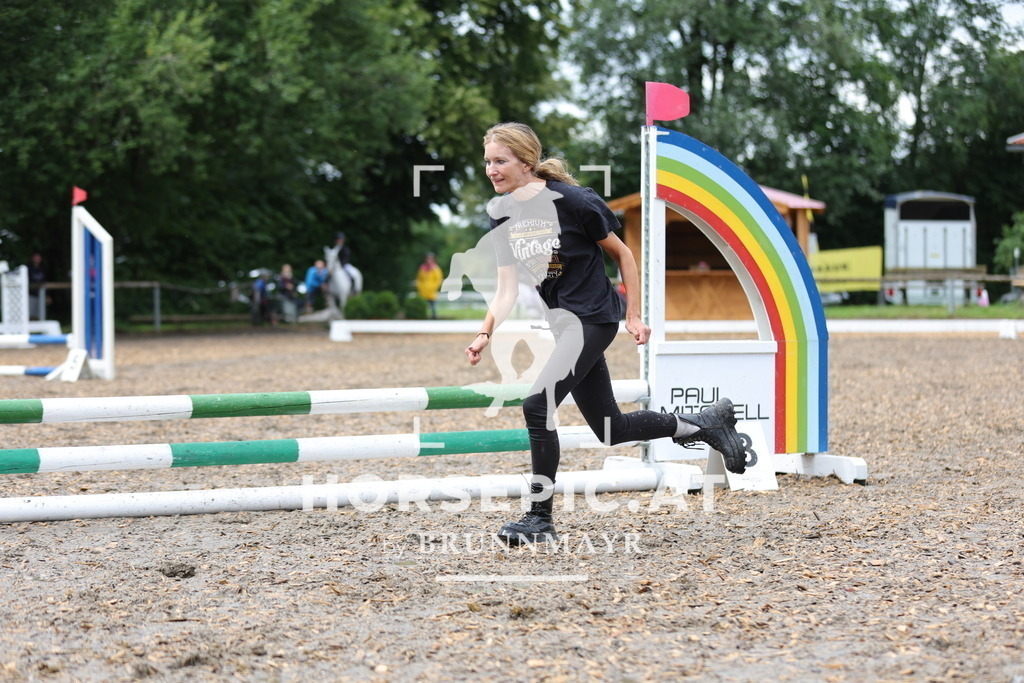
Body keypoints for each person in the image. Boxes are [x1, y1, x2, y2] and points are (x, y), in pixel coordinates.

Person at [463, 122, 749, 546]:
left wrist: (633, 314)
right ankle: (704, 424)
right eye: (487, 161)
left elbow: (624, 254)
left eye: (500, 160)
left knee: (537, 405)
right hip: (564, 324)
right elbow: (506, 288)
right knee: (610, 428)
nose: (491, 169)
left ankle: (539, 519)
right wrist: (485, 332)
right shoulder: (500, 212)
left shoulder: (574, 200)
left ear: (526, 161)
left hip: (592, 318)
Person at [415, 252, 444, 319]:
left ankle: (435, 320)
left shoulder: (436, 269)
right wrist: (420, 287)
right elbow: (419, 279)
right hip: (423, 291)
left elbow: (438, 280)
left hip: (432, 292)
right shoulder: (422, 268)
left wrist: (433, 287)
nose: (428, 260)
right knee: (422, 308)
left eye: (430, 258)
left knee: (433, 308)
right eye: (427, 258)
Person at [27, 252, 47, 320]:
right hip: (31, 294)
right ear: (32, 258)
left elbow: (45, 282)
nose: (37, 259)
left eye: (38, 257)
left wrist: (47, 295)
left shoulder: (43, 269)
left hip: (41, 294)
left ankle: (39, 328)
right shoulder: (28, 268)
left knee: (40, 313)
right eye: (35, 257)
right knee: (30, 314)